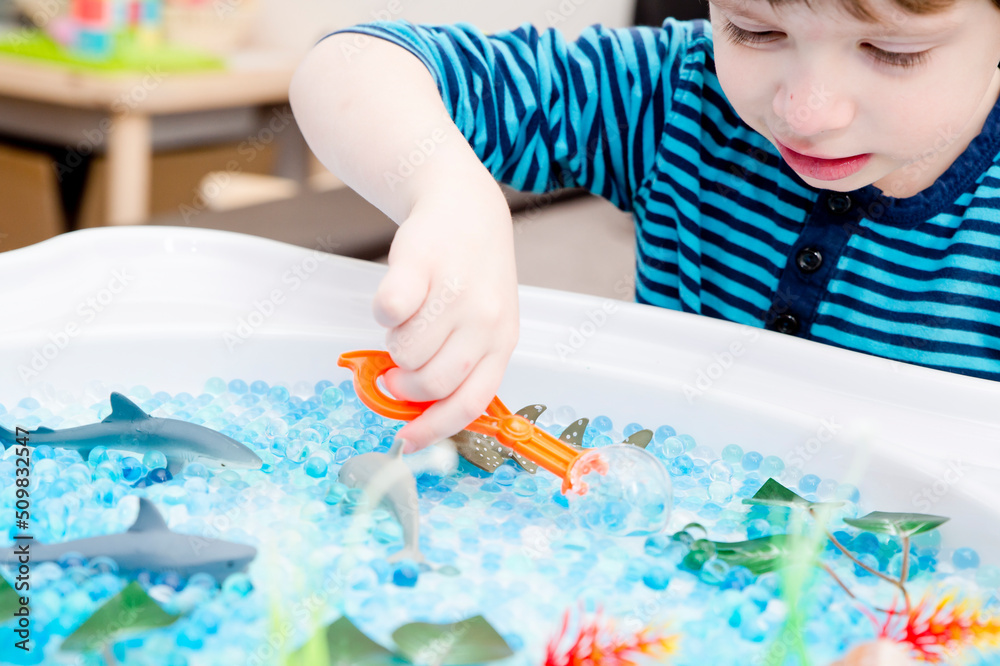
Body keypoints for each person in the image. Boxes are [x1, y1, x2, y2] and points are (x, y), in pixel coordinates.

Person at [290, 0, 1000, 453]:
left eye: (893, 53)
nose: (807, 112)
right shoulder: (677, 96)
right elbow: (352, 62)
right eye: (756, 31)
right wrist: (448, 192)